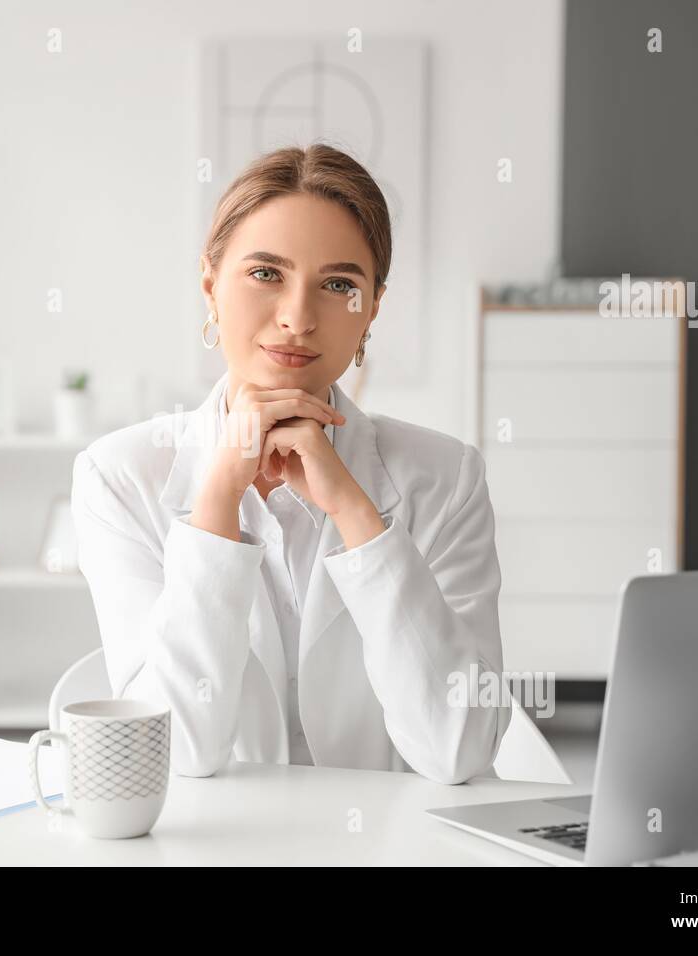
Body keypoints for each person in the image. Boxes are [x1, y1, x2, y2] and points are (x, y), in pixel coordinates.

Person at [70, 143, 509, 783]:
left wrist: (359, 515)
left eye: (338, 285)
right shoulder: (118, 475)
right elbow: (170, 754)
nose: (298, 318)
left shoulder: (447, 478)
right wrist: (217, 501)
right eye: (265, 273)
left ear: (371, 312)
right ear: (210, 287)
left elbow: (459, 749)